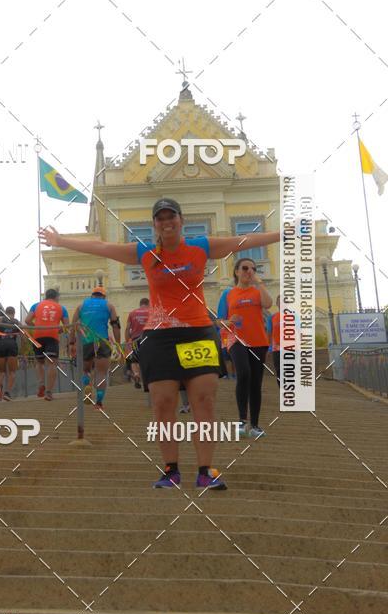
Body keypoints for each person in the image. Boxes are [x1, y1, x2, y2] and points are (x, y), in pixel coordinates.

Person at [40, 197, 280, 489]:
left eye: (171, 217)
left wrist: (283, 233)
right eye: (160, 218)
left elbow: (243, 240)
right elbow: (103, 247)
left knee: (203, 402)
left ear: (181, 220)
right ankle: (171, 469)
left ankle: (206, 470)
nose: (166, 222)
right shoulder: (145, 252)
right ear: (155, 223)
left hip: (198, 332)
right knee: (163, 405)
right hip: (160, 336)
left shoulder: (200, 247)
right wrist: (60, 240)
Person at [217, 258, 273, 439]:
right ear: (236, 271)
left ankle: (254, 425)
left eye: (253, 268)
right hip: (236, 339)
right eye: (245, 268)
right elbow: (219, 321)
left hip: (258, 341)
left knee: (256, 383)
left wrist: (260, 282)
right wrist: (228, 321)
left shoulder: (257, 292)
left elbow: (268, 304)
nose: (249, 271)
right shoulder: (228, 294)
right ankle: (242, 421)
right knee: (243, 374)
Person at [69, 287, 121, 410]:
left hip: (85, 342)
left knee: (85, 370)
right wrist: (118, 344)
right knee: (101, 373)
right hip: (102, 341)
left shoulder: (81, 306)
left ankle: (87, 383)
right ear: (103, 296)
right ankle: (99, 402)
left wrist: (71, 343)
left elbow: (72, 326)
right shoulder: (109, 305)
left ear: (92, 296)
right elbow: (116, 326)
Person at [26, 289, 69, 401]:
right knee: (51, 364)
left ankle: (41, 383)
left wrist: (36, 326)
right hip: (52, 335)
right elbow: (66, 326)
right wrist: (57, 331)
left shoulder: (36, 305)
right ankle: (48, 392)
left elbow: (27, 320)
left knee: (39, 362)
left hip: (38, 335)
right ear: (56, 297)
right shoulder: (62, 308)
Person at [0, 306, 19, 401]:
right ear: (14, 313)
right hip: (12, 345)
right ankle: (7, 393)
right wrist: (24, 353)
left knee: (1, 372)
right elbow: (24, 336)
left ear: (5, 312)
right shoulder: (16, 322)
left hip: (0, 345)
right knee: (12, 372)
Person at [125, 298, 150, 389]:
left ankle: (136, 374)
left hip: (135, 340)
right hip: (148, 339)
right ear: (148, 304)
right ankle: (147, 380)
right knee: (148, 360)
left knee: (134, 360)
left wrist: (128, 340)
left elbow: (127, 328)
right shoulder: (151, 312)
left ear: (140, 304)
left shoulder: (132, 313)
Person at [271, 296, 281, 386]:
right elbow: (269, 332)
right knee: (279, 372)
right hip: (276, 349)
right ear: (277, 303)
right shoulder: (273, 317)